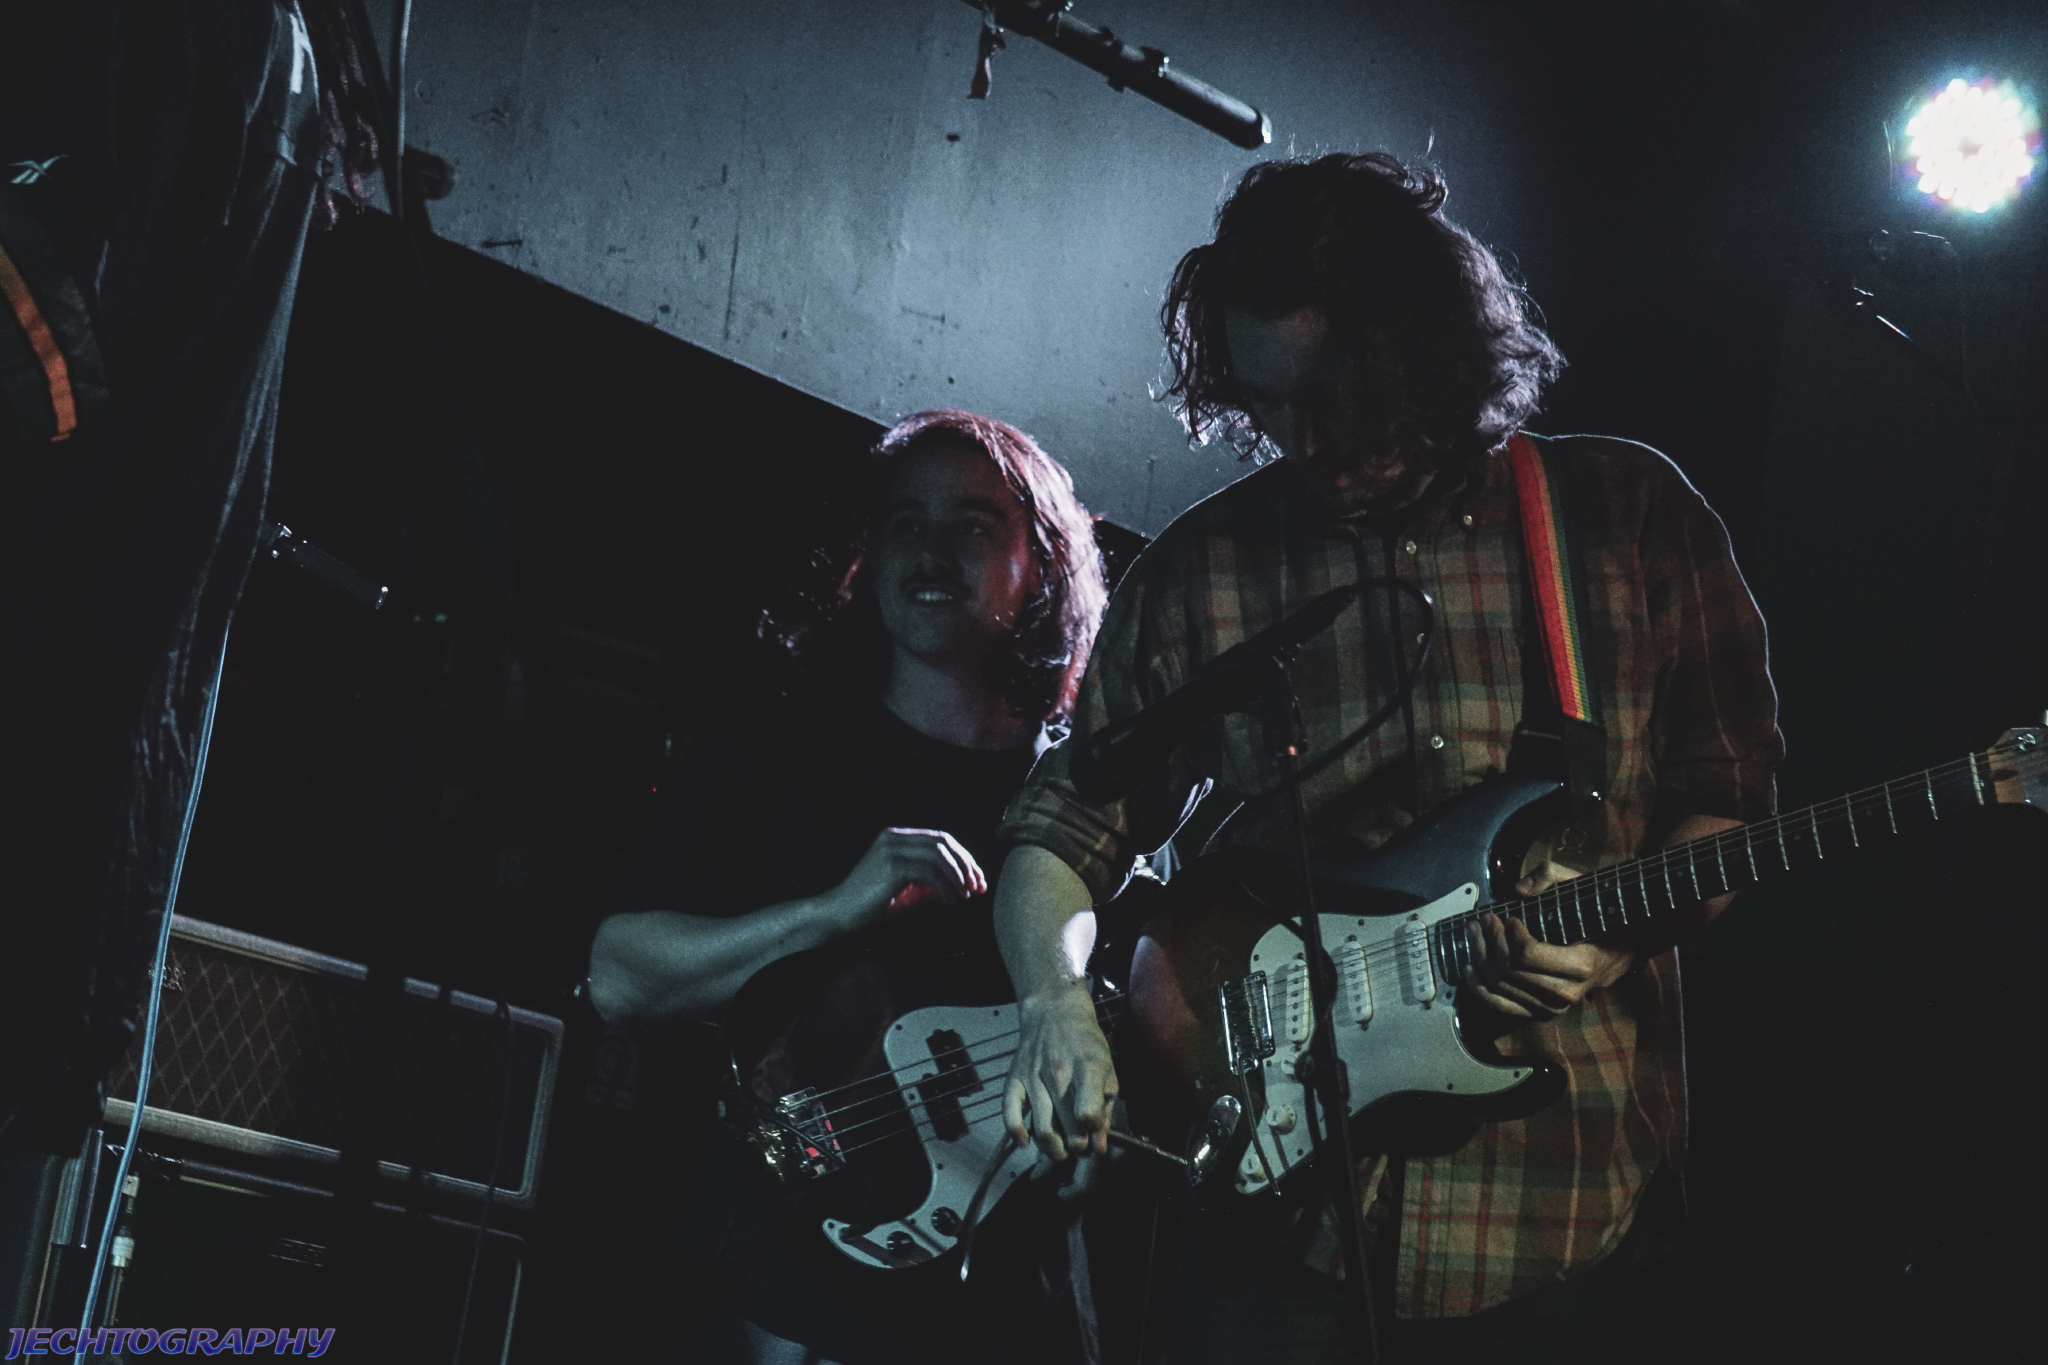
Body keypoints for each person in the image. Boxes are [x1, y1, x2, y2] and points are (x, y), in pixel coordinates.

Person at [992, 154, 1784, 1363]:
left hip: (1552, 1194)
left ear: (1427, 354)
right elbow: (1058, 832)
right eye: (1268, 403)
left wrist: (1609, 942)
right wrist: (1053, 1002)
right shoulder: (1203, 571)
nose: (1305, 441)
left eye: (1335, 395)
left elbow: (1725, 801)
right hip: (1273, 1213)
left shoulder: (1628, 518)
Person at [586, 408, 1109, 1364]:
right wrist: (831, 912)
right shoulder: (775, 754)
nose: (932, 551)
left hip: (997, 1309)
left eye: (972, 524)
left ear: (1041, 563)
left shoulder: (1083, 798)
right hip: (772, 1292)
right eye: (905, 522)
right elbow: (619, 974)